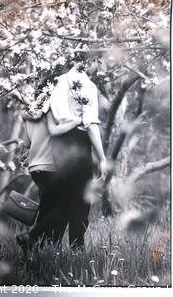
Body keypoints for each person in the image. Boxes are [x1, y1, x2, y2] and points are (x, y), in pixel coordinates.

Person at [49, 58, 107, 249]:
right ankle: (76, 247)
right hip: (78, 141)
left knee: (63, 195)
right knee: (81, 199)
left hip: (57, 142)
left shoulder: (59, 81)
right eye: (100, 62)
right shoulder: (88, 86)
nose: (101, 67)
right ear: (90, 61)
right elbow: (90, 125)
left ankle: (50, 246)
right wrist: (102, 158)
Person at [16, 108, 82, 250]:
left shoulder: (28, 112)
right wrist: (78, 121)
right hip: (51, 166)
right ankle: (32, 237)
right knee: (64, 207)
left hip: (35, 168)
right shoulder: (54, 110)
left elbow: (27, 143)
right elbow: (59, 132)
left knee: (48, 208)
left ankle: (40, 250)